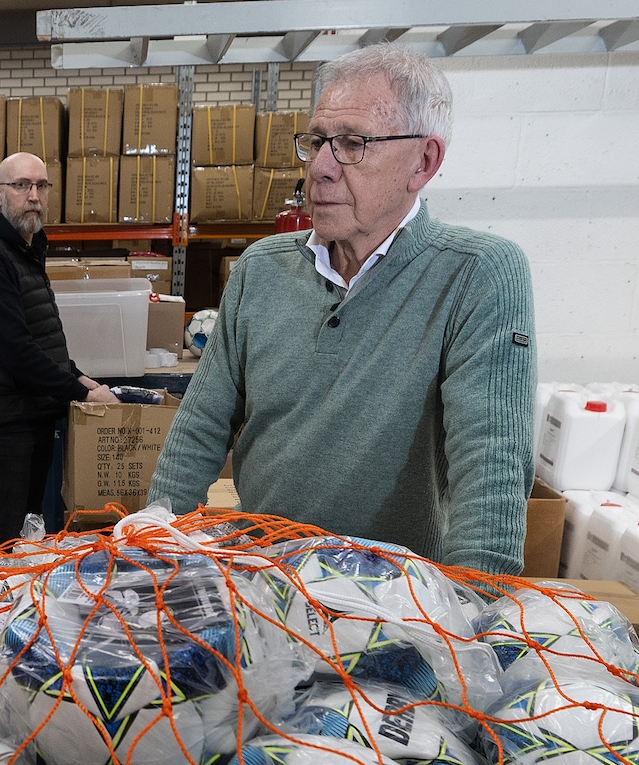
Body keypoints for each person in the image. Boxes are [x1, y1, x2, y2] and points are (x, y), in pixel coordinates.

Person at [147, 46, 536, 573]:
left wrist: (471, 605)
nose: (320, 169)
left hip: (395, 598)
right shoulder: (261, 268)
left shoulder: (476, 274)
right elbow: (199, 429)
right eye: (316, 143)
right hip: (263, 581)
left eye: (353, 144)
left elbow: (491, 466)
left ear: (423, 162)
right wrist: (153, 554)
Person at [0, 152, 118, 550]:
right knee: (2, 535)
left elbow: (38, 337)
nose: (34, 196)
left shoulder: (22, 251)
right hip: (3, 423)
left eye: (41, 186)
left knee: (27, 529)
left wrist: (77, 375)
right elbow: (15, 351)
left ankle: (13, 590)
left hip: (30, 416)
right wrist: (82, 394)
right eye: (22, 185)